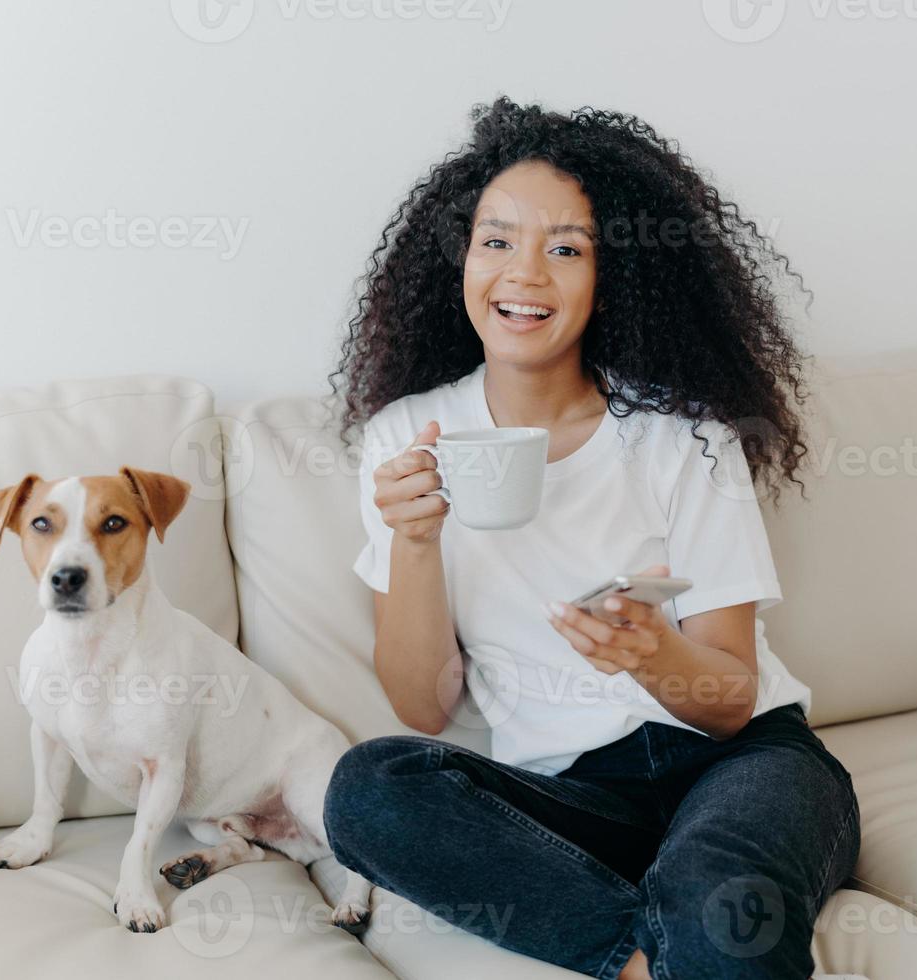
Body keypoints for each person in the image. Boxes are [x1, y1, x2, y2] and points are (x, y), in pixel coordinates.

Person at [322, 96, 859, 980]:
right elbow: (422, 709)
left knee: (717, 893)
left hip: (744, 762)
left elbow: (728, 698)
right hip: (577, 796)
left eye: (565, 249)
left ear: (614, 278)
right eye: (496, 241)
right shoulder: (405, 436)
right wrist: (414, 542)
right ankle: (646, 955)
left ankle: (673, 928)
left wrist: (649, 654)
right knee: (371, 790)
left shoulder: (683, 435)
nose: (523, 274)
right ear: (459, 257)